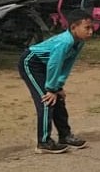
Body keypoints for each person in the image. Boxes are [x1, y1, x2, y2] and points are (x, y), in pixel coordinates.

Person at [18, 9, 94, 154]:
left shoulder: (79, 42)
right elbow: (54, 64)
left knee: (58, 98)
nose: (91, 32)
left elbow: (66, 64)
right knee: (46, 100)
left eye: (92, 28)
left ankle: (65, 136)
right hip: (31, 63)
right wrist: (51, 89)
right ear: (73, 27)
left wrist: (58, 86)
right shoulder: (65, 42)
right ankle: (44, 142)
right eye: (87, 28)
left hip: (46, 65)